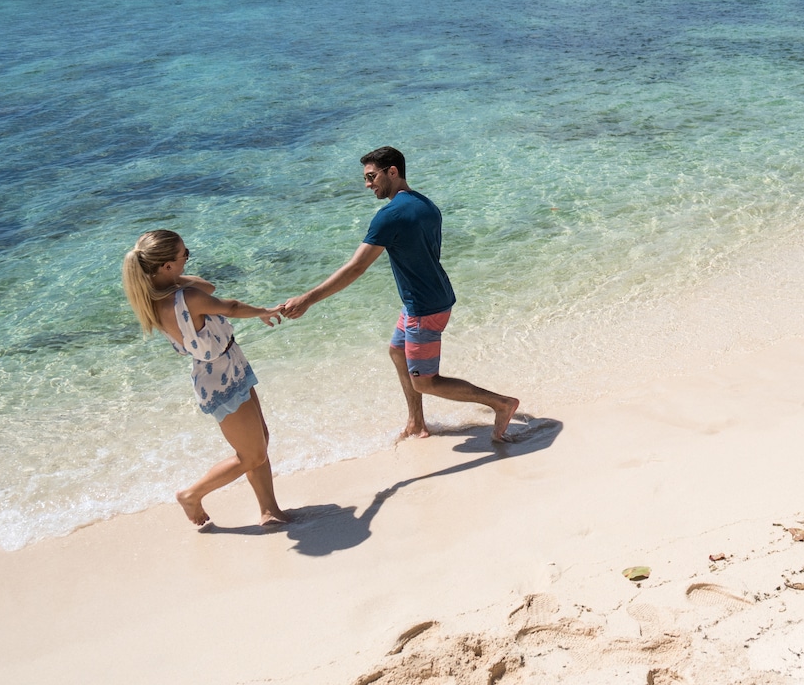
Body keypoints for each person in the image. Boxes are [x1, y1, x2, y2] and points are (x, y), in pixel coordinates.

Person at [280, 146, 520, 442]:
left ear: (392, 172)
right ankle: (417, 423)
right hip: (426, 298)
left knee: (426, 383)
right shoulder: (426, 204)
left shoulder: (389, 216)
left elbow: (356, 268)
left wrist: (307, 299)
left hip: (424, 307)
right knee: (397, 352)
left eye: (371, 177)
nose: (368, 185)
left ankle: (501, 403)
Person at [121, 229, 290, 528]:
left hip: (223, 366)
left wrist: (170, 277)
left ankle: (269, 510)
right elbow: (231, 306)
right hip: (221, 375)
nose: (188, 259)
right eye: (184, 255)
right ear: (166, 265)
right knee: (250, 455)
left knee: (260, 442)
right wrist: (264, 311)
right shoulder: (186, 297)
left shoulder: (160, 298)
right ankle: (191, 494)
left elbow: (208, 286)